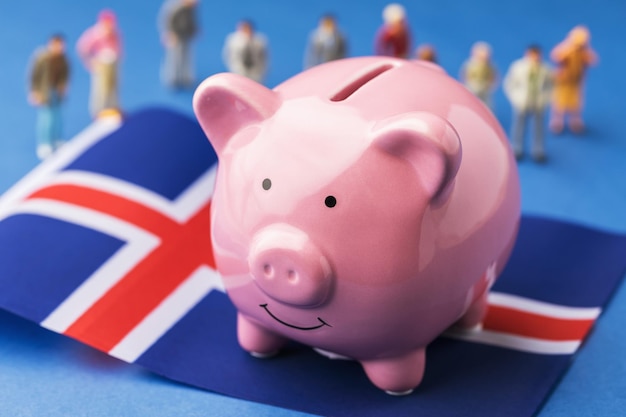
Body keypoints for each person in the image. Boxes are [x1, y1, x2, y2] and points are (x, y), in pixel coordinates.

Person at [503, 45, 553, 162]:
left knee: (539, 128)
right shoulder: (518, 67)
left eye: (537, 55)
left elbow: (551, 87)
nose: (535, 57)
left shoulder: (545, 69)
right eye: (532, 54)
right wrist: (516, 99)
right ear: (527, 54)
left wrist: (545, 100)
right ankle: (516, 148)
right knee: (518, 126)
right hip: (522, 102)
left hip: (538, 102)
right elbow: (510, 84)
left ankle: (538, 150)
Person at [28, 33, 70, 159]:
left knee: (57, 117)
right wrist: (34, 91)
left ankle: (56, 140)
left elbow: (65, 74)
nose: (59, 47)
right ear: (51, 44)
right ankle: (44, 143)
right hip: (44, 91)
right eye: (56, 44)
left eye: (61, 45)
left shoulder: (63, 59)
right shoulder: (42, 58)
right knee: (46, 118)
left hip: (56, 92)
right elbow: (33, 75)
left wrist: (63, 87)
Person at [549, 25, 598, 134]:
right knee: (559, 102)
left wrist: (585, 55)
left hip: (576, 81)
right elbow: (556, 56)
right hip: (563, 80)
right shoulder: (565, 48)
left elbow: (593, 60)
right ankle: (557, 122)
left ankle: (575, 122)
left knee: (576, 103)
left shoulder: (584, 52)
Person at [77, 10, 122, 118]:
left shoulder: (115, 34)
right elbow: (82, 48)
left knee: (113, 86)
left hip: (113, 63)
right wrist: (90, 62)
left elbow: (119, 48)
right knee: (101, 87)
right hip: (102, 63)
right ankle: (99, 111)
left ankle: (113, 108)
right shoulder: (96, 33)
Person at [159, 0, 199, 89]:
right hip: (176, 37)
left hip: (186, 36)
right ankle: (173, 78)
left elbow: (191, 21)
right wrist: (170, 34)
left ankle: (185, 77)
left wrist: (194, 31)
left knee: (186, 57)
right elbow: (167, 22)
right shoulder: (175, 8)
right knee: (175, 58)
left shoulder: (190, 9)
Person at [460, 41, 497, 108]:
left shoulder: (490, 67)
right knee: (470, 103)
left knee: (487, 106)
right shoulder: (470, 65)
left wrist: (489, 86)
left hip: (485, 90)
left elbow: (493, 77)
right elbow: (465, 76)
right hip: (472, 87)